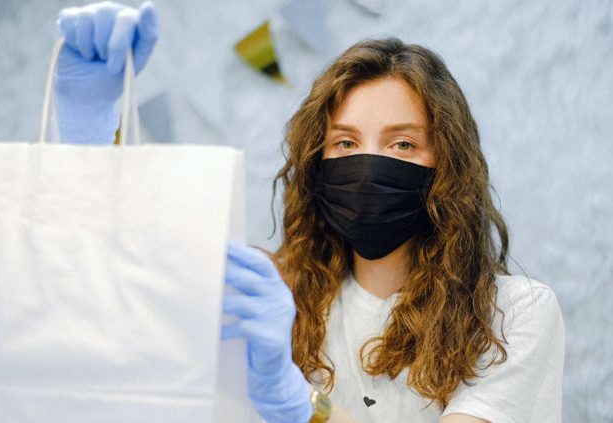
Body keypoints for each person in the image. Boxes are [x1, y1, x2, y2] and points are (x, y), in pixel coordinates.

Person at [54, 3, 566, 423]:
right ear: (315, 165)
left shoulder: (513, 315)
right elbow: (123, 292)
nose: (368, 166)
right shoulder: (272, 299)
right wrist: (88, 141)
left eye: (403, 143)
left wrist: (302, 404)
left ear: (449, 164)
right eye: (345, 142)